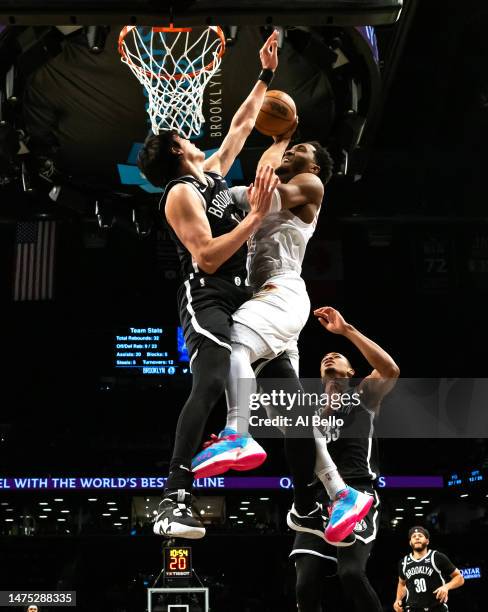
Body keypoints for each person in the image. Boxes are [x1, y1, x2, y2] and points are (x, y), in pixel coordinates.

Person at [191, 128, 374, 543]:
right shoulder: (280, 180)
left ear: (312, 166)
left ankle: (237, 432)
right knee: (293, 417)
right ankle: (342, 493)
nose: (293, 150)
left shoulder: (310, 183)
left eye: (301, 150)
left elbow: (259, 199)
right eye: (292, 146)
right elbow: (246, 194)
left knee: (231, 342)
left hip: (281, 293)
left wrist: (219, 193)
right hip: (273, 306)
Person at [136, 31, 280, 539]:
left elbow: (241, 125)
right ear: (177, 149)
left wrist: (265, 73)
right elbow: (207, 257)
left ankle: (315, 490)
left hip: (240, 295)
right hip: (207, 296)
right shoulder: (178, 194)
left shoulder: (211, 175)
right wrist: (255, 218)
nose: (194, 137)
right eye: (184, 136)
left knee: (280, 369)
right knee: (213, 376)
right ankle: (173, 498)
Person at [290, 306, 400, 612]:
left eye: (337, 357)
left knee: (350, 573)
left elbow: (391, 370)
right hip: (317, 498)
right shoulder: (308, 413)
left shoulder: (362, 395)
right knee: (305, 584)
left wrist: (347, 330)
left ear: (351, 372)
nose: (329, 357)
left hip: (357, 493)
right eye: (325, 357)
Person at [394, 526, 464, 612]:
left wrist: (446, 587)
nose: (417, 538)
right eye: (414, 536)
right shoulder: (403, 562)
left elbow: (459, 578)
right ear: (410, 542)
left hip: (437, 608)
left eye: (420, 535)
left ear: (427, 541)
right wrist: (398, 600)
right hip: (413, 608)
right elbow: (402, 584)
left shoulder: (437, 557)